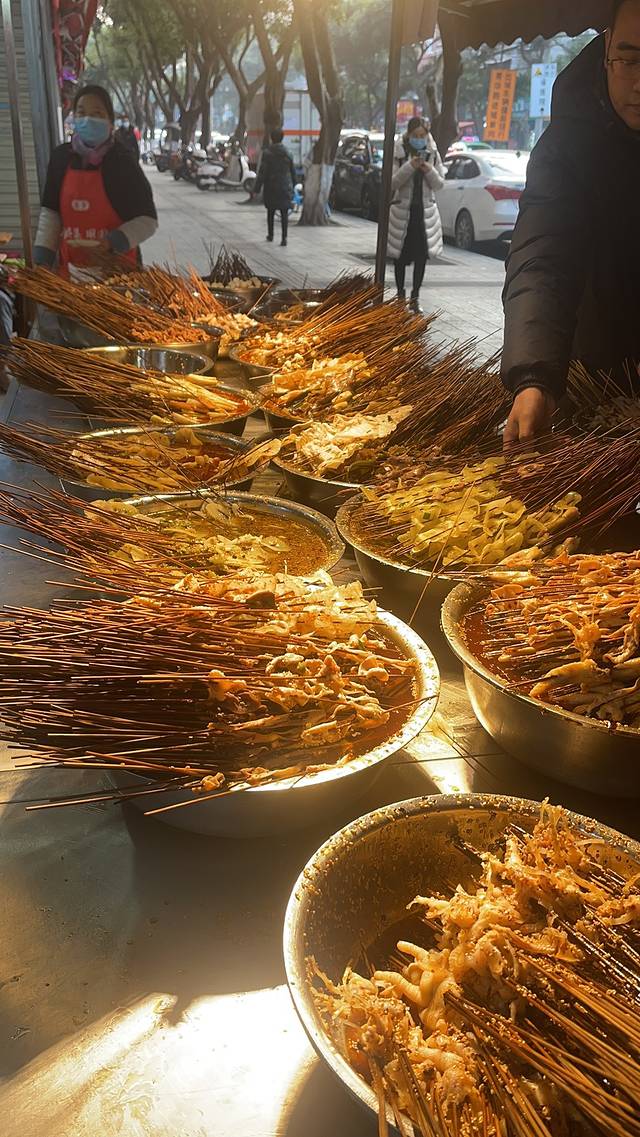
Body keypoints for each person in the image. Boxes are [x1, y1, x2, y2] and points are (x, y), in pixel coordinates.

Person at [502, 0, 640, 444]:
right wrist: (534, 377)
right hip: (592, 375)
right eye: (630, 60)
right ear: (606, 51)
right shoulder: (569, 143)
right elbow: (543, 253)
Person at [33, 84, 157, 271]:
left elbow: (148, 219)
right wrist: (42, 259)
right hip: (71, 271)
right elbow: (51, 213)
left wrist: (113, 242)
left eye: (97, 113)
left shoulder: (122, 161)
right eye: (81, 113)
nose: (88, 119)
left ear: (110, 121)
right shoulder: (61, 157)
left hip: (118, 271)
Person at [387, 116, 445, 313]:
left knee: (421, 258)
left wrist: (428, 169)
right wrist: (410, 166)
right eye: (415, 135)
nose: (419, 139)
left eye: (422, 136)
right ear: (409, 134)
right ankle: (400, 297)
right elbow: (393, 182)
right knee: (400, 258)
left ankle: (415, 298)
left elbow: (440, 184)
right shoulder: (399, 152)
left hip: (424, 214)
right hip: (403, 213)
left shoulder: (432, 153)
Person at [253, 128, 296, 246]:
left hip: (271, 187)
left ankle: (270, 235)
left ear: (272, 138)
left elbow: (262, 173)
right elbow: (293, 172)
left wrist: (256, 188)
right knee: (284, 213)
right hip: (285, 186)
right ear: (282, 138)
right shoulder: (288, 153)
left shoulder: (267, 153)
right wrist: (294, 185)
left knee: (271, 211)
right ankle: (284, 238)